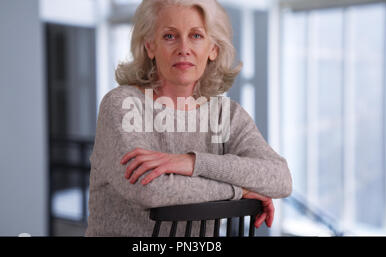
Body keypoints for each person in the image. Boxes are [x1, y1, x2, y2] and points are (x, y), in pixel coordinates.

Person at [85, 0, 292, 237]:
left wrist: (192, 163)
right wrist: (238, 190)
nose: (184, 48)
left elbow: (280, 177)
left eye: (196, 35)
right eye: (170, 36)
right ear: (150, 46)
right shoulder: (121, 105)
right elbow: (151, 190)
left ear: (213, 49)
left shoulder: (227, 115)